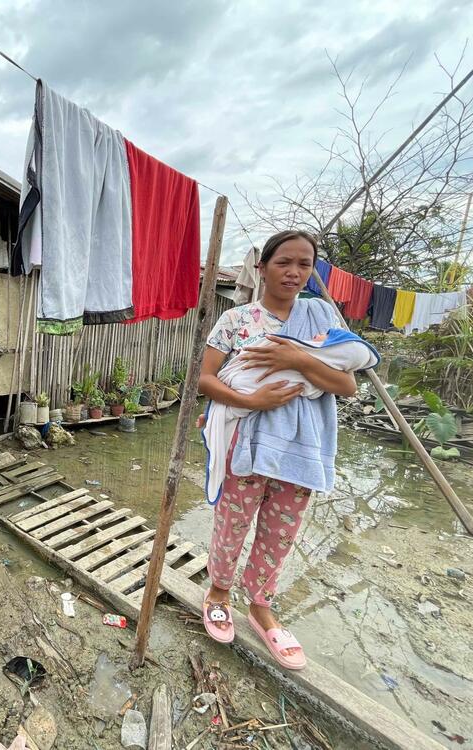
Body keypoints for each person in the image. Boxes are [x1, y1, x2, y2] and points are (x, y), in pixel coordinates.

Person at [197, 230, 357, 670]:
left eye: (304, 264)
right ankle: (219, 592)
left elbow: (347, 384)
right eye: (284, 262)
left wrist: (299, 361)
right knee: (232, 522)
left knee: (280, 532)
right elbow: (204, 380)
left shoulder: (323, 319)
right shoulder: (236, 321)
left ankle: (261, 604)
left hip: (301, 447)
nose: (294, 272)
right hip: (244, 439)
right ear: (262, 267)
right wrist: (252, 402)